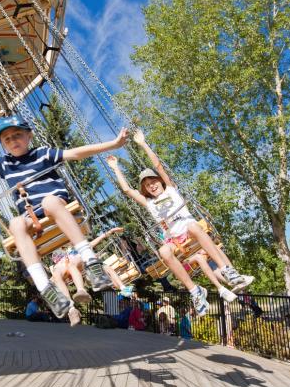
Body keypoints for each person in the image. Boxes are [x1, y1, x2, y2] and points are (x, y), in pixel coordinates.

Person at [0, 117, 128, 319]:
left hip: (54, 207)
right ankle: (44, 286)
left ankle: (91, 261)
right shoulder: (4, 164)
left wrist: (113, 144)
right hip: (30, 216)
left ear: (29, 136)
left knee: (49, 201)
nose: (13, 141)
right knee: (15, 223)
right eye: (7, 139)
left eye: (17, 135)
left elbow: (75, 153)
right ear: (3, 144)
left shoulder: (43, 154)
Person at [107, 129, 254, 316]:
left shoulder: (171, 189)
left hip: (188, 227)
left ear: (160, 182)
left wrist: (143, 144)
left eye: (153, 182)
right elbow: (128, 190)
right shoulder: (149, 203)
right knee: (163, 251)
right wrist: (116, 168)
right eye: (147, 185)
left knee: (194, 226)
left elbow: (159, 166)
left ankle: (227, 270)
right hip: (174, 238)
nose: (151, 186)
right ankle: (195, 291)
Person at [49, 227, 134, 327]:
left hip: (84, 268)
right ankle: (71, 307)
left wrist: (110, 231)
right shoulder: (69, 252)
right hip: (72, 267)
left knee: (106, 269)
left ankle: (122, 288)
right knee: (58, 274)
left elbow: (98, 240)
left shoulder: (82, 249)